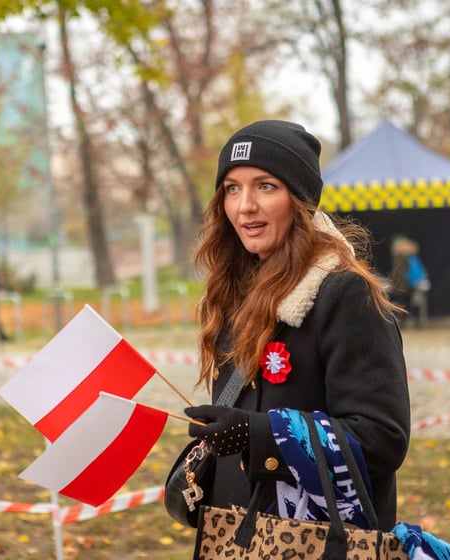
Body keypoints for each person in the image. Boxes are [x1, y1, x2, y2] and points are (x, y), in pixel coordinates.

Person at [178, 120, 411, 533]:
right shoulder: (232, 295)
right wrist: (203, 465)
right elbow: (241, 426)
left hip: (315, 543)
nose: (245, 205)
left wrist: (260, 436)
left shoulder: (344, 293)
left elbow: (382, 439)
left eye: (265, 186)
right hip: (235, 540)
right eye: (232, 188)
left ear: (300, 200)